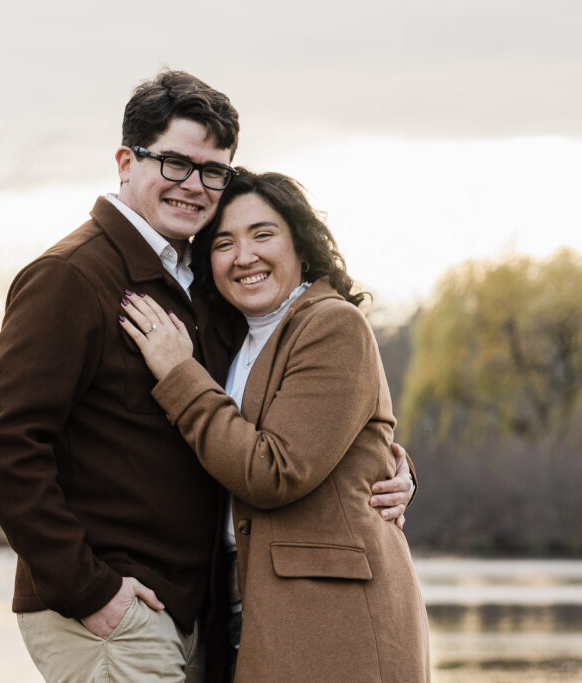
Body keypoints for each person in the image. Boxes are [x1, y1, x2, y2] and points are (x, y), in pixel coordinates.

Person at [0, 71, 417, 682]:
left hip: (200, 607)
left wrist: (386, 466)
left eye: (212, 171)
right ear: (126, 162)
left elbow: (274, 423)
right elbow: (2, 443)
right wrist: (87, 588)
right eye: (175, 163)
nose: (194, 186)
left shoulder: (203, 287)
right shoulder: (71, 276)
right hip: (115, 605)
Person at [118, 169, 430, 682]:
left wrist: (178, 374)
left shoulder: (333, 324)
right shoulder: (230, 339)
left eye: (262, 234)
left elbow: (275, 471)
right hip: (244, 603)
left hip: (334, 618)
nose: (245, 256)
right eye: (224, 243)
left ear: (301, 245)